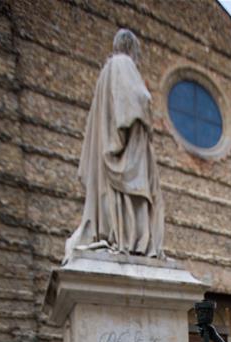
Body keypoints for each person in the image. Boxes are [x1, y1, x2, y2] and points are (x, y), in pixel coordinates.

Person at [65, 29, 164, 260]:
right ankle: (131, 239)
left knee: (114, 199)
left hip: (109, 149)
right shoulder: (123, 64)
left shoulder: (105, 74)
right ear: (131, 49)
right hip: (126, 150)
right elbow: (138, 99)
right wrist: (148, 115)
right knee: (134, 196)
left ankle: (119, 235)